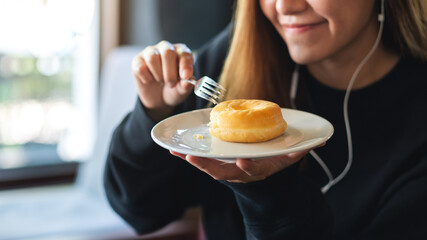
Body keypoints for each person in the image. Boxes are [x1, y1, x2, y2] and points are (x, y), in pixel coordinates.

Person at [104, 0, 427, 239]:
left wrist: (268, 192)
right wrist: (153, 112)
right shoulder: (231, 61)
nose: (286, 6)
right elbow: (139, 210)